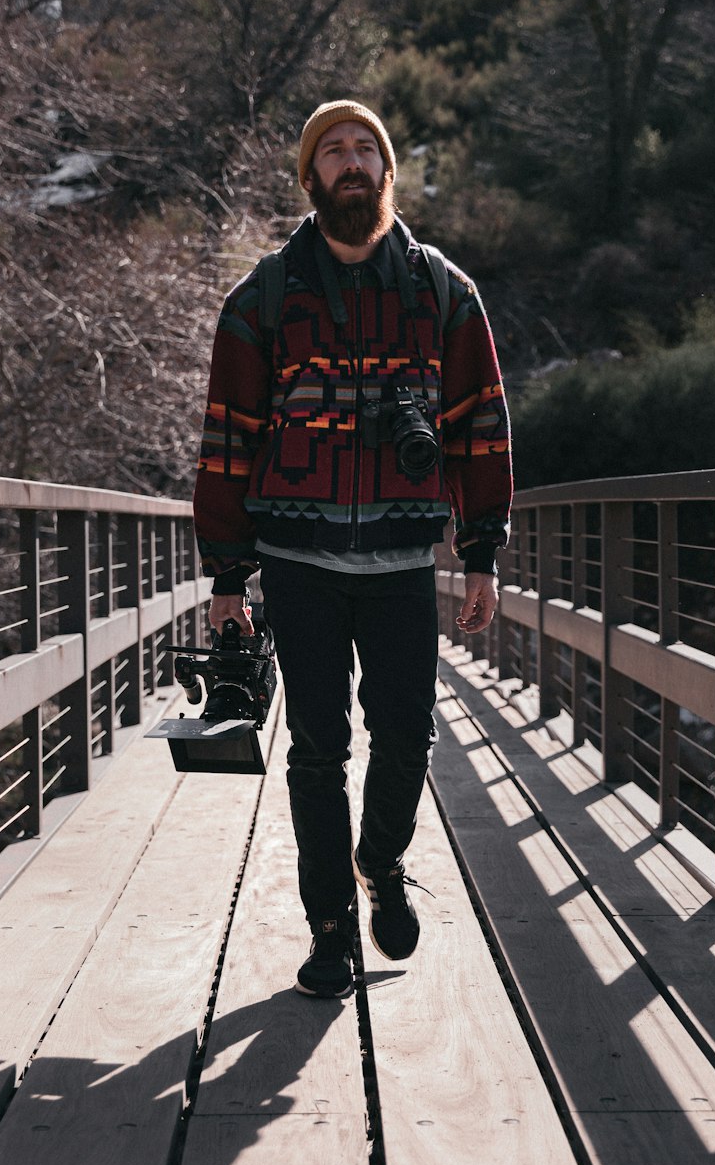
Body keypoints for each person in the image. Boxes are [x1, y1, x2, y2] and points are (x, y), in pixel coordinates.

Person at [193, 99, 512, 999]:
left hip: (407, 562)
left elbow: (481, 425)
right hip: (298, 561)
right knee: (316, 748)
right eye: (333, 150)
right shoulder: (261, 298)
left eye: (365, 148)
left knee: (408, 733)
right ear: (310, 177)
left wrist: (482, 549)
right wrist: (227, 575)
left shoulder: (444, 293)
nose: (351, 161)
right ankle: (331, 930)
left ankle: (380, 859)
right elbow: (228, 438)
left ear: (387, 173)